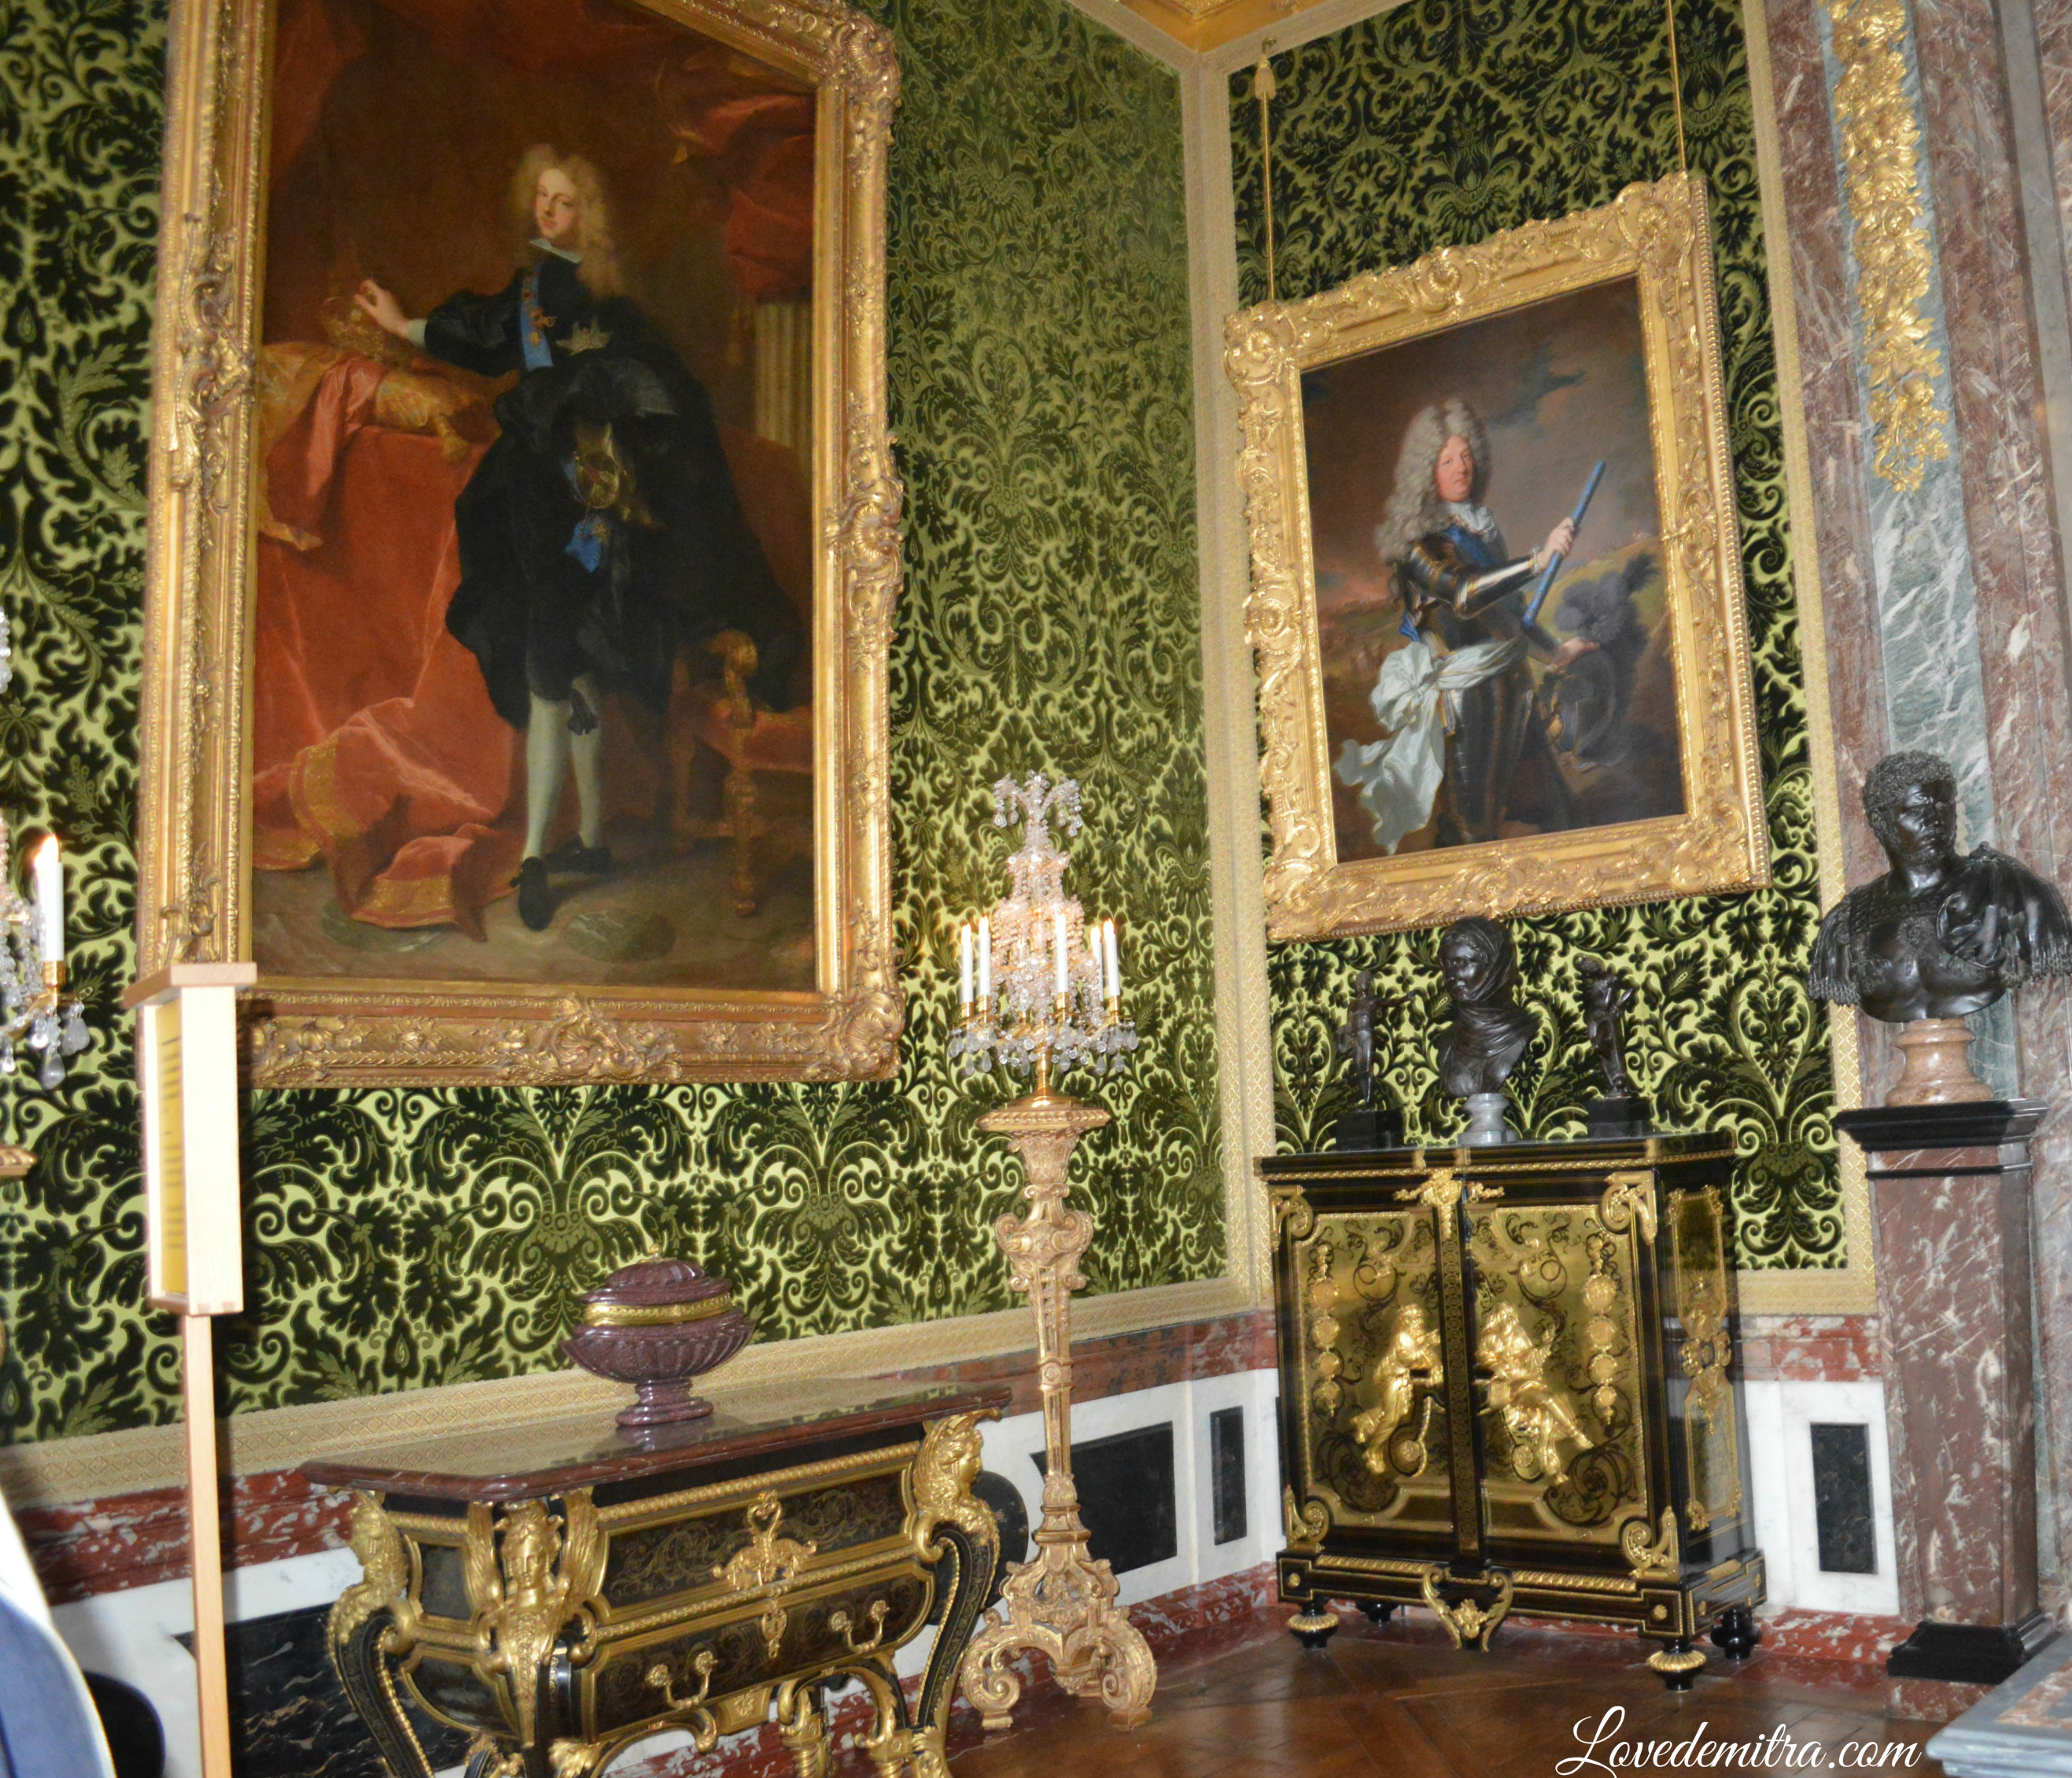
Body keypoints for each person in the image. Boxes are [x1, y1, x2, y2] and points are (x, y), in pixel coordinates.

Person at [356, 147, 802, 931]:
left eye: (564, 200)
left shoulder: (612, 309)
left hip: (591, 514)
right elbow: (481, 331)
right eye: (542, 196)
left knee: (558, 668)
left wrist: (593, 415)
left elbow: (664, 399)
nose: (549, 210)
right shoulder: (527, 294)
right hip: (526, 498)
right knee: (568, 673)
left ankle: (536, 854)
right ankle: (590, 840)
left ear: (586, 215)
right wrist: (404, 326)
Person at [1334, 402, 1591, 851]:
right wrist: (1538, 561)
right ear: (1425, 472)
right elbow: (1465, 593)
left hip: (1515, 687)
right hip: (1469, 702)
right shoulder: (1420, 545)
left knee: (1552, 814)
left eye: (1467, 455)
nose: (1461, 468)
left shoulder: (1479, 529)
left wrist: (1555, 652)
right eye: (1447, 460)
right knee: (1475, 831)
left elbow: (1508, 614)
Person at [1808, 751, 2072, 1022]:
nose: (1935, 821)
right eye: (1917, 810)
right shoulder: (1852, 919)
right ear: (1880, 821)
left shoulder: (2008, 890)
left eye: (1943, 806)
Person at [1436, 916, 1535, 1099]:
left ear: (1494, 966)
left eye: (1463, 962)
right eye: (1447, 965)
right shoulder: (1448, 1042)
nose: (1452, 975)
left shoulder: (1520, 1032)